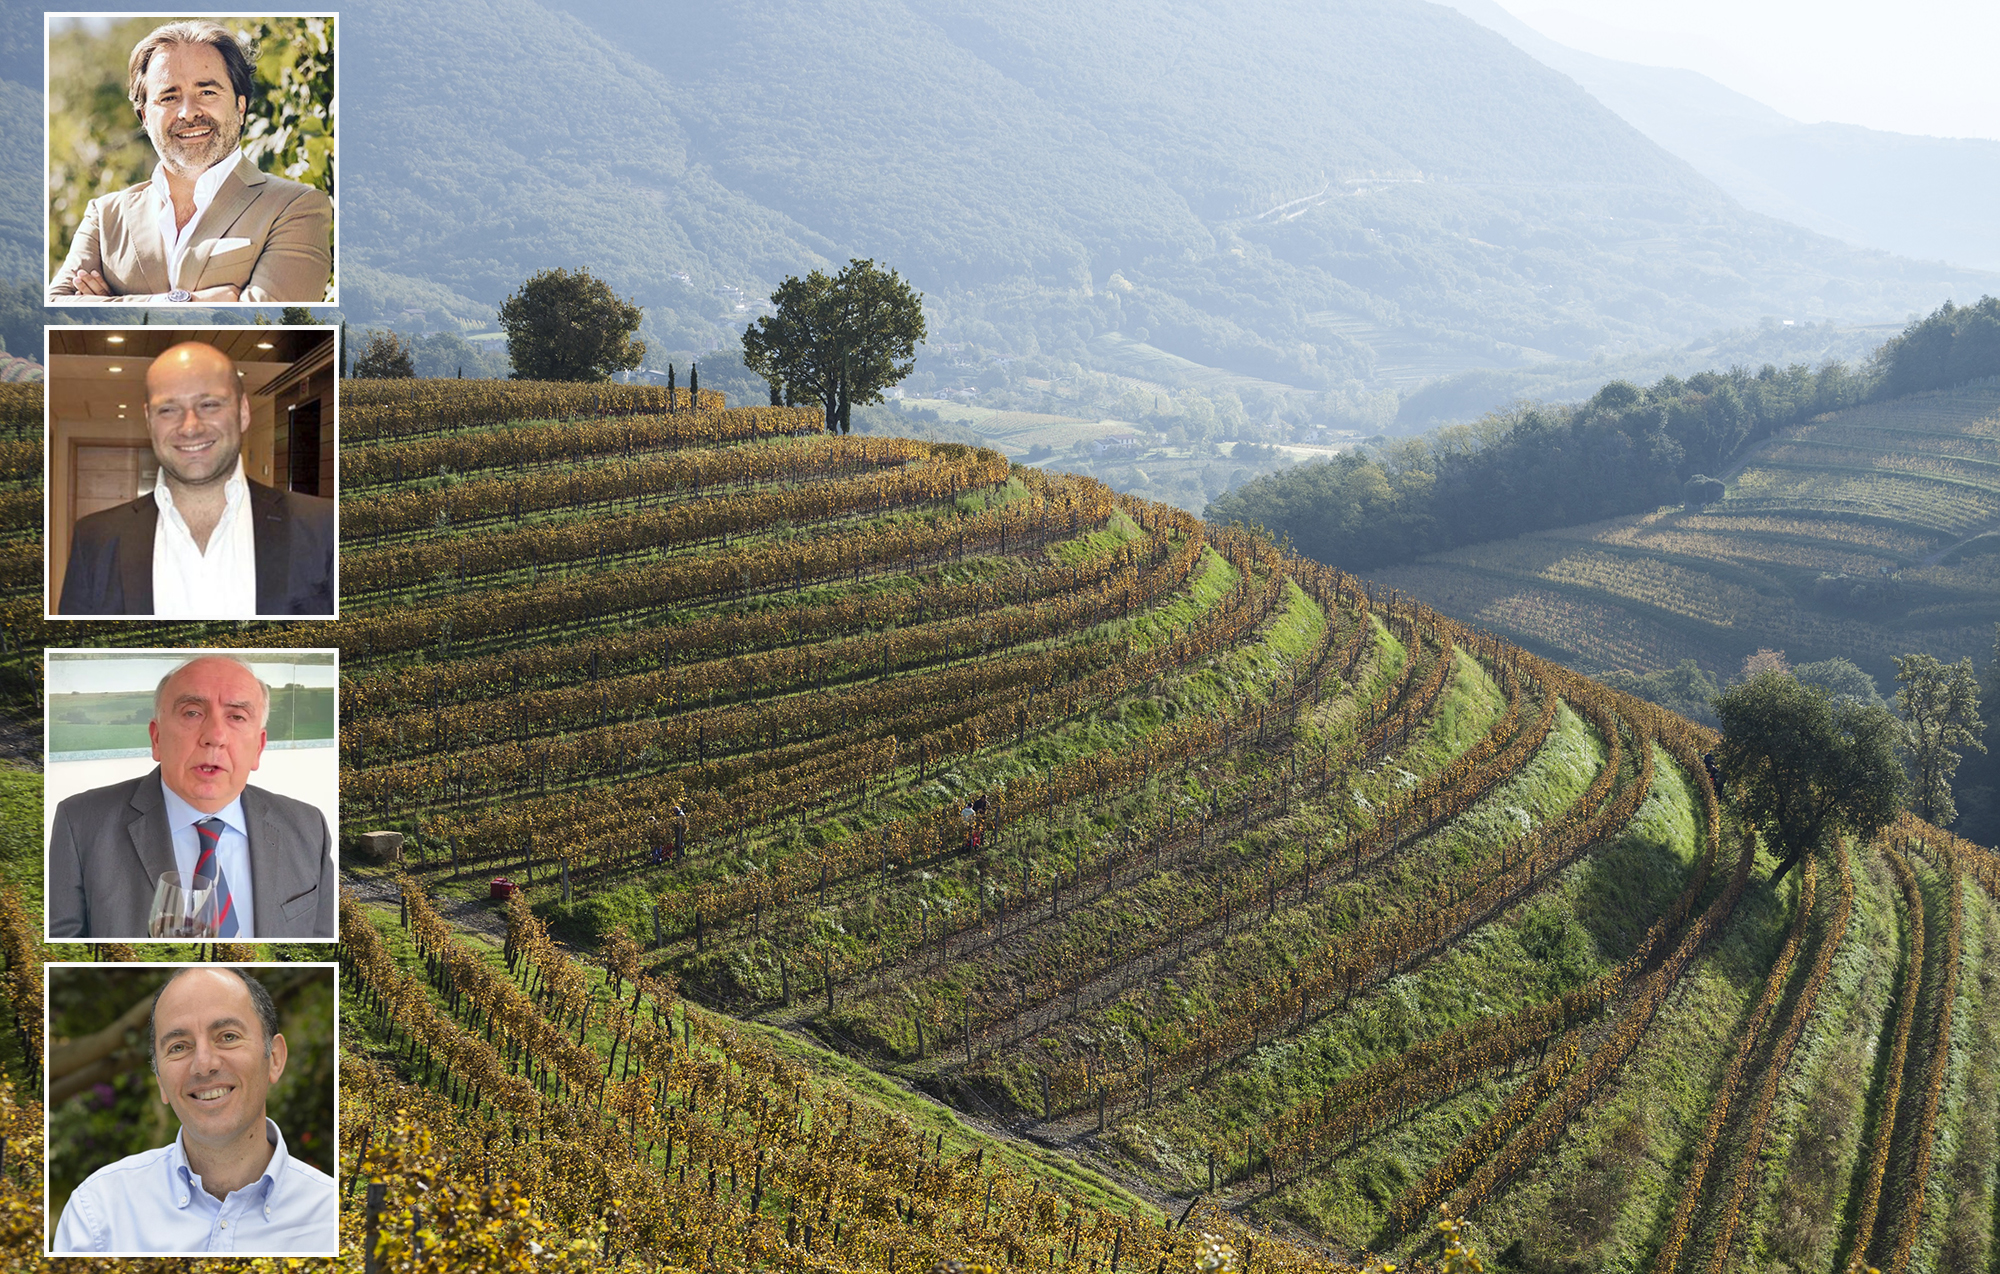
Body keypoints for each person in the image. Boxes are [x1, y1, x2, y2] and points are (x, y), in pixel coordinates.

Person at [46, 654, 336, 939]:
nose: (214, 735)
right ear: (156, 738)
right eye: (192, 713)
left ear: (259, 748)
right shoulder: (81, 822)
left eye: (236, 716)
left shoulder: (308, 826)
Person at [52, 967, 336, 1254]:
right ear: (160, 1081)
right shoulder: (99, 1215)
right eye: (178, 1047)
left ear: (274, 1059)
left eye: (227, 1036)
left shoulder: (332, 1219)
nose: (204, 1064)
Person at [48, 19, 332, 304]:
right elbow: (56, 309)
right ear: (145, 117)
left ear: (241, 106)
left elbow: (272, 321)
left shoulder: (296, 207)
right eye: (169, 97)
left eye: (207, 92)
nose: (188, 112)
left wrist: (107, 309)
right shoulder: (105, 216)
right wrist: (184, 302)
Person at [57, 340, 336, 617]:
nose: (190, 427)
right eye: (168, 409)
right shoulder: (95, 539)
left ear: (243, 412)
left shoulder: (325, 527)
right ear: (149, 419)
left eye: (209, 404)